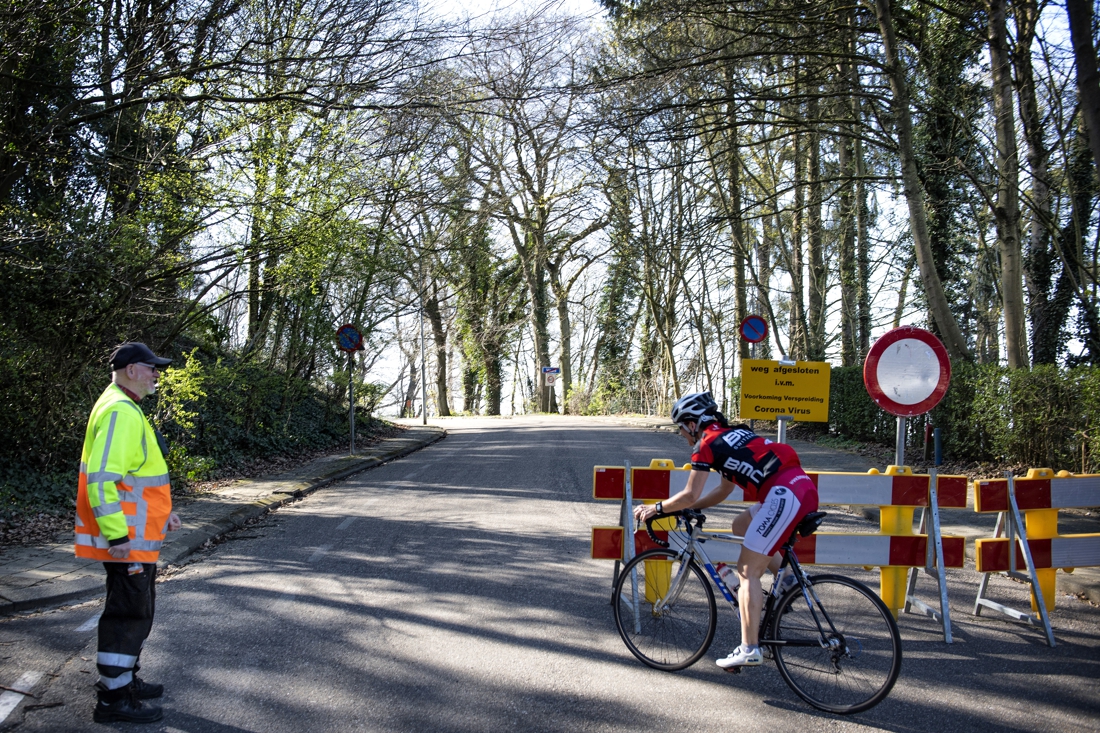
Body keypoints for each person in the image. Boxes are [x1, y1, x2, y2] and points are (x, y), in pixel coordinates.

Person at [633, 391, 819, 670]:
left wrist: (657, 509)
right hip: (800, 488)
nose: (682, 436)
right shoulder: (731, 435)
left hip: (782, 495)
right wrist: (690, 509)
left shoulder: (706, 444)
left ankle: (749, 648)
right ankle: (788, 579)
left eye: (681, 429)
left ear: (692, 424)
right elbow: (724, 489)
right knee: (740, 525)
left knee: (747, 571)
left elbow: (689, 493)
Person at [74, 342, 180, 724]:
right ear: (133, 369)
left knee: (136, 609)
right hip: (128, 541)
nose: (157, 375)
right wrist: (118, 537)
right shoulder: (121, 411)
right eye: (153, 368)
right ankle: (113, 699)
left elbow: (134, 479)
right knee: (128, 613)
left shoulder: (122, 405)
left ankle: (124, 680)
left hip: (136, 535)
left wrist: (163, 513)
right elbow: (102, 481)